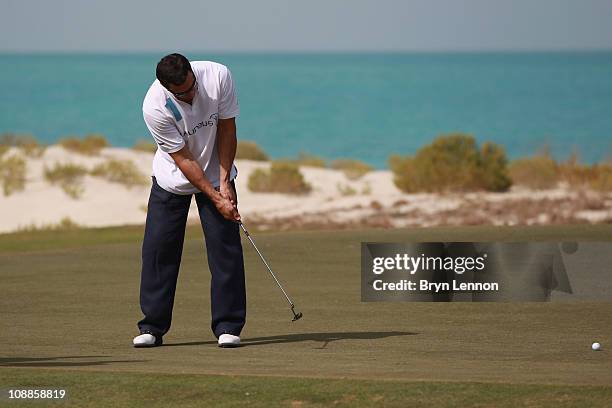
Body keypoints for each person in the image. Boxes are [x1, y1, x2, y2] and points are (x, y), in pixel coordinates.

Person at [133, 53, 245, 348]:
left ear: (192, 74)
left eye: (192, 86)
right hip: (172, 179)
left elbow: (227, 128)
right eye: (183, 92)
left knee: (225, 250)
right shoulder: (154, 106)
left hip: (216, 170)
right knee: (159, 251)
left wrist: (224, 182)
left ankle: (228, 326)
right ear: (167, 88)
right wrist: (212, 195)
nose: (192, 93)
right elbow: (183, 158)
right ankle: (152, 328)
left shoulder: (218, 76)